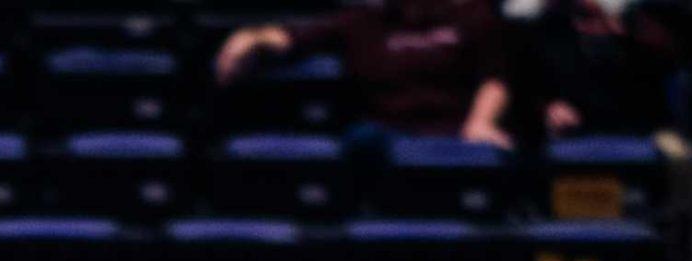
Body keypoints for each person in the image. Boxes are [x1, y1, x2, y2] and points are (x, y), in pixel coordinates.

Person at [215, 0, 510, 146]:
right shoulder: (361, 21)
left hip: (454, 131)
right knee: (358, 143)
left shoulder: (470, 15)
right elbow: (293, 38)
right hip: (387, 133)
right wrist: (251, 37)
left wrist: (481, 122)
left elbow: (494, 77)